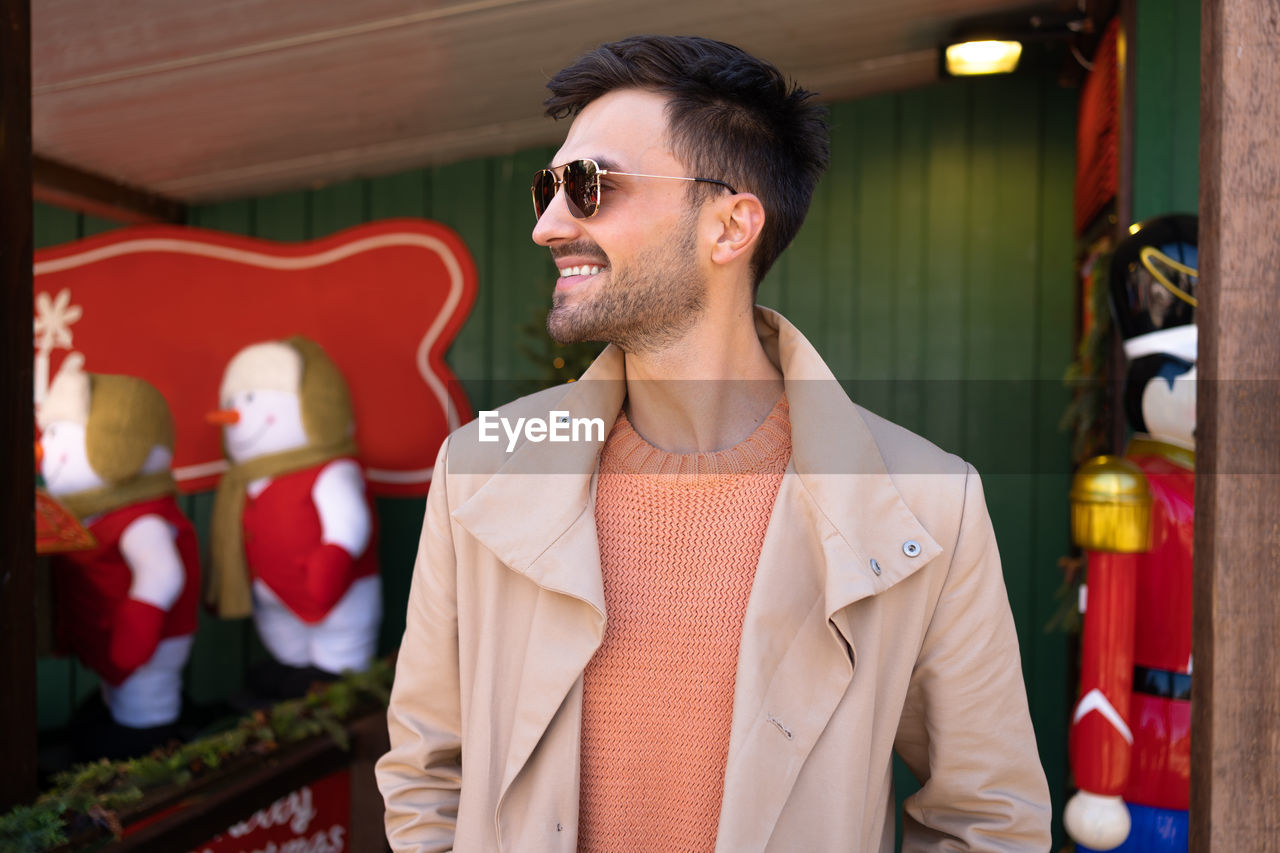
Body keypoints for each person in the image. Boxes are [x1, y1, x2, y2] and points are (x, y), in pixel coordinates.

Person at [376, 35, 1051, 851]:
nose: (549, 225)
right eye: (546, 189)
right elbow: (424, 775)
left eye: (588, 186)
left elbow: (987, 821)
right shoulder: (480, 469)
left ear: (731, 226)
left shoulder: (930, 501)